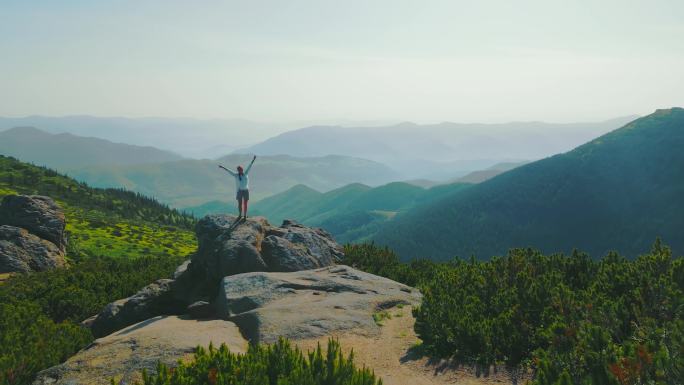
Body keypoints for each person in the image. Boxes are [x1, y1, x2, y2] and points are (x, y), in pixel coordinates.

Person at [219, 155, 256, 220]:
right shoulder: (236, 175)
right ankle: (240, 215)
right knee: (239, 204)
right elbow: (229, 171)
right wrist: (222, 167)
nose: (240, 171)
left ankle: (244, 215)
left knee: (245, 203)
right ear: (238, 170)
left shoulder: (245, 173)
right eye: (239, 170)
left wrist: (253, 160)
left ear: (242, 170)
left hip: (246, 190)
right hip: (240, 191)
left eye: (241, 170)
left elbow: (249, 166)